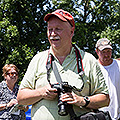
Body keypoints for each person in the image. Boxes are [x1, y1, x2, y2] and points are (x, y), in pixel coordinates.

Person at [17, 9, 110, 120]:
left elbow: (105, 99)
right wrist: (42, 92)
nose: (52, 34)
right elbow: (21, 98)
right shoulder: (38, 59)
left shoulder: (88, 60)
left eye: (58, 29)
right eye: (50, 29)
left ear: (71, 32)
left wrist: (81, 100)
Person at [95, 38, 120, 120]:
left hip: (118, 114)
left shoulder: (119, 65)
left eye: (108, 51)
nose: (106, 55)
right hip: (99, 115)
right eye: (103, 52)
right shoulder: (92, 68)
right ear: (97, 52)